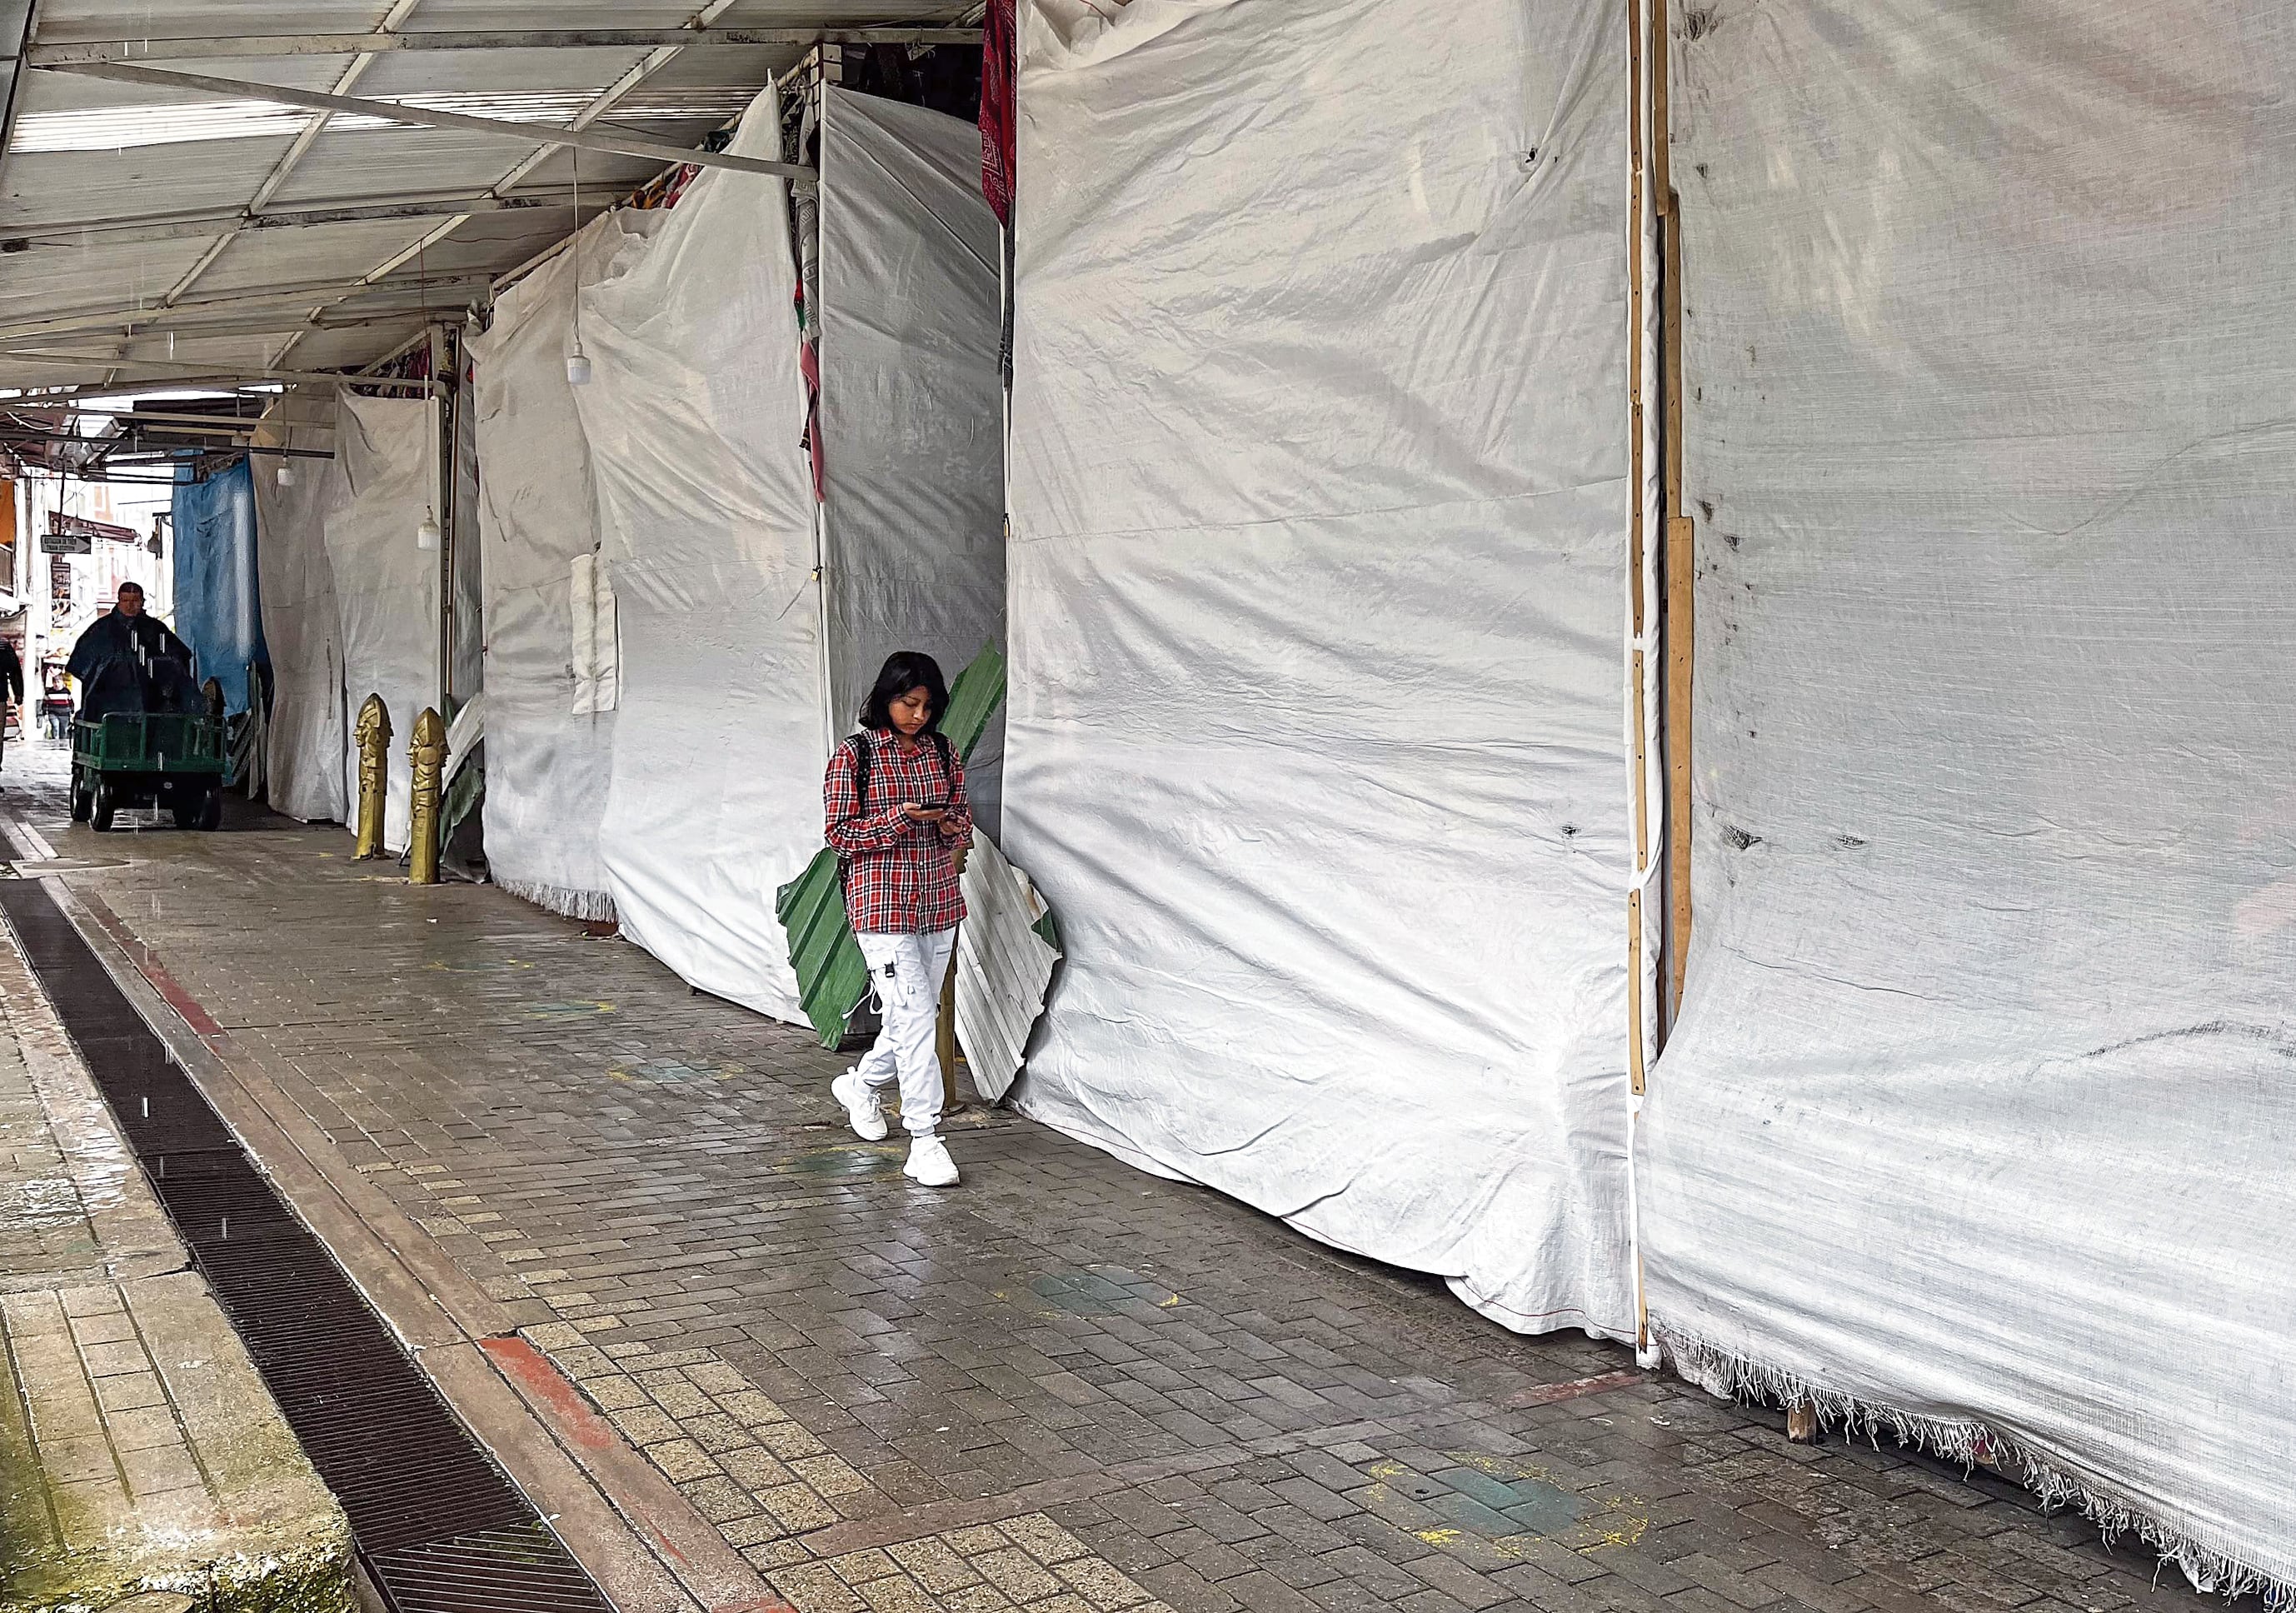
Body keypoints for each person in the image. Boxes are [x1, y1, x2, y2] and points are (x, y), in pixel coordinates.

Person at [822, 651, 973, 1187]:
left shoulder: (943, 751)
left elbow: (961, 811)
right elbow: (839, 834)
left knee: (917, 1014)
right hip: (880, 903)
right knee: (912, 1017)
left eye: (928, 707)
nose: (919, 717)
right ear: (887, 697)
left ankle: (861, 1086)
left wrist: (950, 825)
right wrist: (898, 819)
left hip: (938, 898)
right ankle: (924, 1139)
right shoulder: (854, 756)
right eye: (910, 704)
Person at [66, 583, 195, 724]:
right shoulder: (100, 631)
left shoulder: (156, 629)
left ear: (142, 602)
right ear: (119, 601)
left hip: (152, 707)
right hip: (108, 708)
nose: (130, 605)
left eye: (135, 600)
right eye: (125, 600)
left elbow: (178, 659)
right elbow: (81, 665)